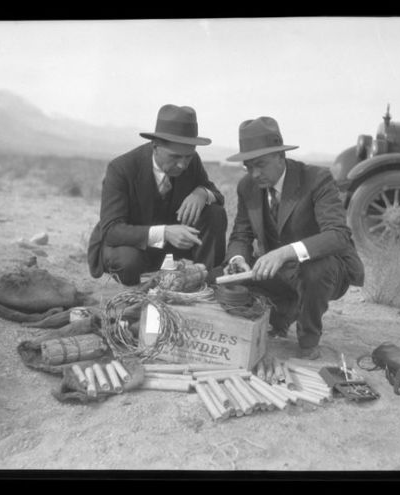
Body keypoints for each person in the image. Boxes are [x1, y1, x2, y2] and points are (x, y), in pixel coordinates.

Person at [222, 116, 365, 359]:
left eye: (260, 164)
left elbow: (338, 235)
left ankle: (308, 338)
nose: (254, 174)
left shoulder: (316, 179)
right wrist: (237, 259)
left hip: (325, 270)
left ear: (280, 156)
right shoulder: (247, 187)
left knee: (316, 270)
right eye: (248, 166)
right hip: (278, 273)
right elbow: (241, 234)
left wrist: (286, 252)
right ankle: (283, 311)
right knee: (220, 278)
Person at [87, 104, 227, 285]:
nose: (183, 165)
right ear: (155, 146)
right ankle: (136, 294)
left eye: (188, 157)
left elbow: (217, 195)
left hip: (169, 253)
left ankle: (203, 282)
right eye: (175, 157)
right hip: (129, 248)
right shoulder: (121, 169)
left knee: (214, 213)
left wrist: (201, 193)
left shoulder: (191, 161)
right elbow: (112, 231)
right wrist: (165, 233)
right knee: (128, 260)